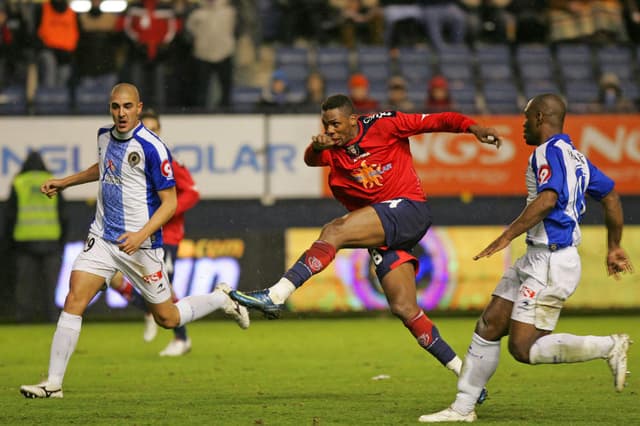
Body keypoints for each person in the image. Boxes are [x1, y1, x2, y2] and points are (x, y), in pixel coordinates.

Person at [230, 94, 500, 393]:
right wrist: (316, 146)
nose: (329, 130)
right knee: (404, 309)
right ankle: (467, 378)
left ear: (352, 120)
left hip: (407, 209)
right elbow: (310, 159)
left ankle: (276, 294)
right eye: (325, 124)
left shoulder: (385, 125)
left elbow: (440, 120)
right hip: (383, 229)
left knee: (334, 231)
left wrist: (472, 127)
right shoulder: (332, 149)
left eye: (334, 124)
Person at [20, 83, 249, 399]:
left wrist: (141, 235)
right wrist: (66, 182)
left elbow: (169, 202)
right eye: (115, 107)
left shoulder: (153, 148)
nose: (121, 113)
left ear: (139, 107)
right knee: (74, 300)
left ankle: (222, 299)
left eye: (127, 106)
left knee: (167, 317)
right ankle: (53, 383)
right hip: (102, 238)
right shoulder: (104, 135)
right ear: (110, 108)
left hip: (141, 246)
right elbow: (103, 166)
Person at [418, 94, 633, 423]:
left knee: (524, 348)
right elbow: (612, 195)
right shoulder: (576, 157)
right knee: (489, 325)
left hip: (551, 262)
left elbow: (547, 199)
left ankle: (608, 346)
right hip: (538, 258)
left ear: (540, 118)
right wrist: (614, 244)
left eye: (525, 117)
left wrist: (508, 234)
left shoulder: (547, 152)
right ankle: (462, 409)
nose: (522, 124)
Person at [108, 108, 201, 356]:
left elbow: (191, 192)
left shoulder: (166, 158)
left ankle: (181, 339)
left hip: (164, 236)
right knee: (114, 279)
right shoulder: (129, 157)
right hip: (133, 232)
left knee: (163, 288)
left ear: (160, 131)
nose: (150, 132)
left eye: (154, 128)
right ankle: (151, 310)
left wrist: (166, 212)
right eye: (145, 127)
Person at [3, 151, 67, 323]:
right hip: (51, 241)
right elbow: (63, 214)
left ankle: (23, 318)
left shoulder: (19, 183)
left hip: (24, 242)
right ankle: (52, 317)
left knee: (24, 285)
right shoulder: (52, 181)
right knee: (51, 285)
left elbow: (10, 215)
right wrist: (62, 240)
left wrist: (7, 242)